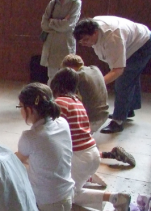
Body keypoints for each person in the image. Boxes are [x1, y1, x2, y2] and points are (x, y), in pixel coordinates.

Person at [50, 68, 132, 211]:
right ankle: (89, 178)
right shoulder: (77, 101)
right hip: (92, 154)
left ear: (56, 84)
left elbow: (53, 132)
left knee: (63, 194)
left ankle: (115, 198)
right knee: (71, 184)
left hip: (80, 159)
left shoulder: (60, 102)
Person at [73, 16, 151, 133]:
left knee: (123, 82)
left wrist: (96, 84)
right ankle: (128, 109)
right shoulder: (93, 27)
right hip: (132, 39)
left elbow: (118, 70)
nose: (83, 43)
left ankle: (118, 121)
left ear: (95, 33)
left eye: (86, 40)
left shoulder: (113, 38)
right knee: (131, 76)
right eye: (80, 41)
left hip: (142, 44)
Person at [15, 82, 74, 211]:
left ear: (29, 110)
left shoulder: (31, 136)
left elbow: (15, 160)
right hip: (66, 194)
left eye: (20, 107)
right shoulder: (62, 122)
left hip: (48, 202)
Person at [40, 0, 81, 84]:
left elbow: (67, 26)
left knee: (66, 76)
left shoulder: (75, 3)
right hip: (51, 44)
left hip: (65, 44)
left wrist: (52, 22)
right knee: (51, 77)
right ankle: (52, 99)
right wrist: (60, 21)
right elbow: (44, 24)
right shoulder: (52, 3)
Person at [61, 54, 109, 133]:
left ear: (69, 68)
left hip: (92, 119)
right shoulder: (95, 69)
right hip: (104, 114)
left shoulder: (78, 76)